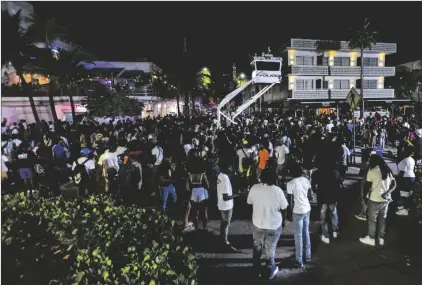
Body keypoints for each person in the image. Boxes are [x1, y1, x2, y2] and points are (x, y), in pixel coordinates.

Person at [247, 168, 289, 280]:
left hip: (258, 223)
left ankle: (255, 270)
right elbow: (284, 208)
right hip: (273, 225)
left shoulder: (254, 188)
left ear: (262, 177)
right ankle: (270, 270)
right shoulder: (278, 191)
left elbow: (249, 203)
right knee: (270, 248)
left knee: (257, 246)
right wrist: (283, 221)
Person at [360, 155, 396, 246]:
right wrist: (387, 192)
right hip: (385, 200)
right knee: (383, 218)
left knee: (372, 220)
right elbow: (394, 184)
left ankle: (371, 238)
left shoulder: (372, 171)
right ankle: (381, 238)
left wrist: (364, 197)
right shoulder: (387, 171)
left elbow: (367, 186)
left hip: (375, 199)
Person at [286, 166, 312, 268]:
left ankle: (299, 260)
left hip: (297, 211)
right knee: (306, 232)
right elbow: (310, 195)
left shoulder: (290, 184)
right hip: (307, 208)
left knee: (298, 236)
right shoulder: (305, 180)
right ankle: (308, 256)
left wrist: (289, 215)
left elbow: (290, 201)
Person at [312, 166, 342, 244]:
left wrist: (317, 190)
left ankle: (326, 235)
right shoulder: (335, 172)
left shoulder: (317, 173)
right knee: (334, 213)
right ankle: (335, 231)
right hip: (333, 197)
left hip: (322, 198)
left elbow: (313, 186)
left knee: (323, 217)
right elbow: (340, 184)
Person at [217, 165, 238, 251]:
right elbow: (225, 197)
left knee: (223, 223)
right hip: (226, 206)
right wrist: (235, 195)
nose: (231, 168)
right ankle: (225, 243)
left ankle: (222, 239)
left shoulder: (220, 175)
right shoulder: (225, 179)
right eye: (229, 167)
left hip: (221, 204)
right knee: (226, 224)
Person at [396, 149, 416, 216]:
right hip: (412, 177)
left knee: (402, 194)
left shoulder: (404, 160)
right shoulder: (412, 159)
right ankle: (405, 209)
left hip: (406, 178)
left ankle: (401, 209)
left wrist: (398, 181)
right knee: (407, 194)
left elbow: (402, 172)